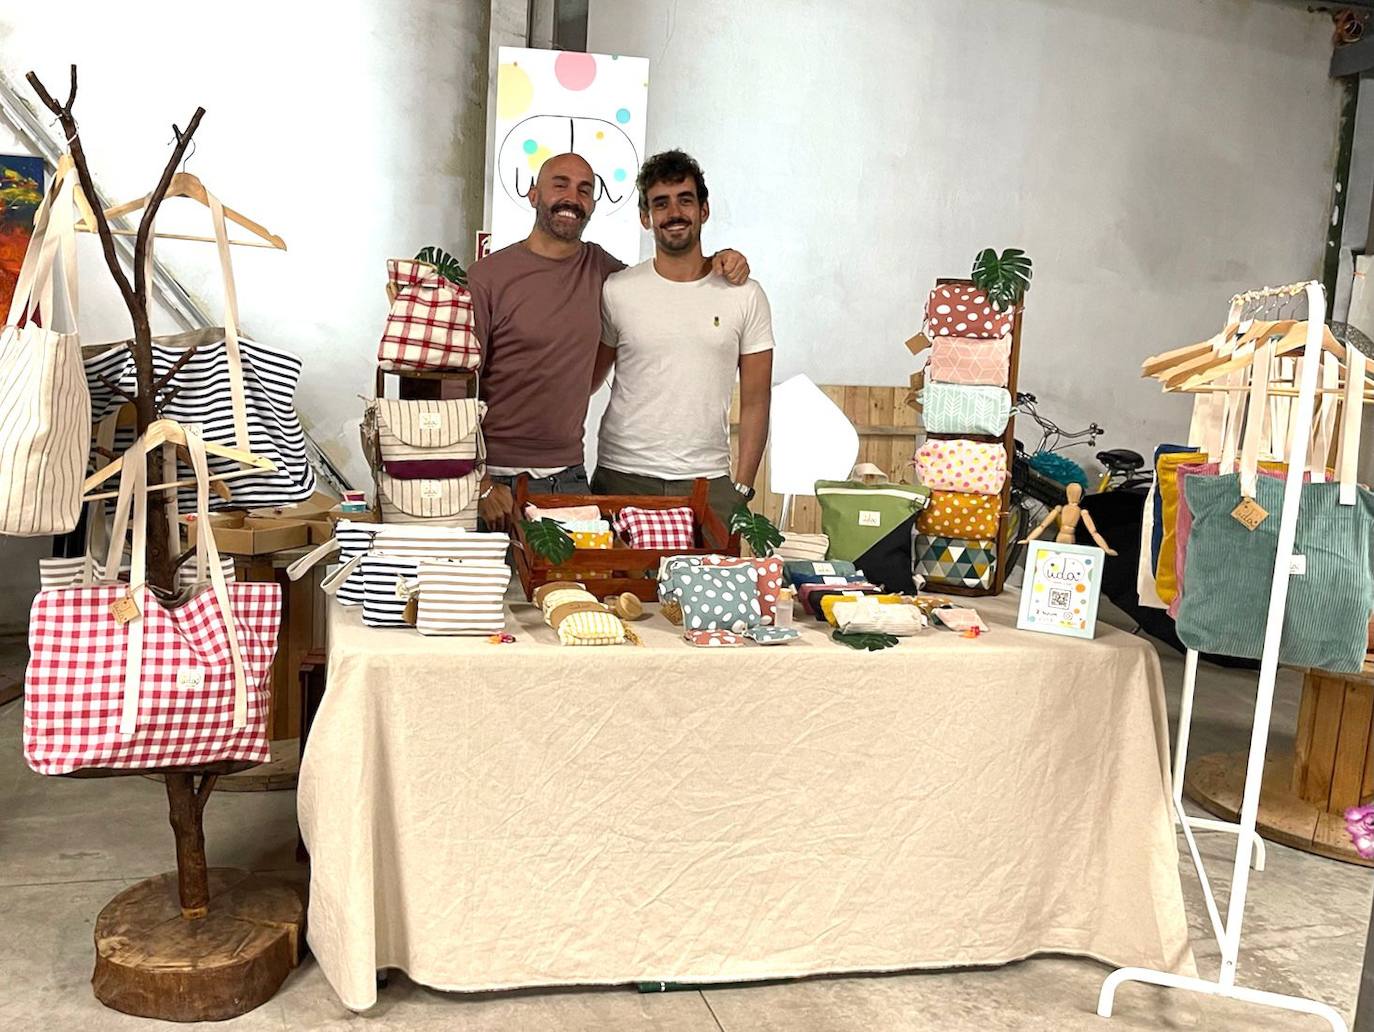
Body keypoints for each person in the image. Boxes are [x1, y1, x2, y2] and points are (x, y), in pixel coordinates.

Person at [467, 152, 750, 531]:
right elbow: (458, 392)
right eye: (560, 184)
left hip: (568, 480)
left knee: (570, 592)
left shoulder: (606, 274)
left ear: (593, 205)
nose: (572, 196)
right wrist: (479, 484)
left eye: (585, 189)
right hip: (492, 480)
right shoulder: (488, 277)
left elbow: (671, 280)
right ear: (533, 194)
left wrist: (721, 261)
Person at [591, 150, 774, 527]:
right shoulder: (617, 290)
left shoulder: (745, 294)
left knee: (711, 587)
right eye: (661, 203)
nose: (674, 213)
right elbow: (589, 379)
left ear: (703, 210)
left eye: (685, 200)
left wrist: (741, 488)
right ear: (646, 217)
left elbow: (757, 401)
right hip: (622, 475)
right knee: (615, 588)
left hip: (708, 483)